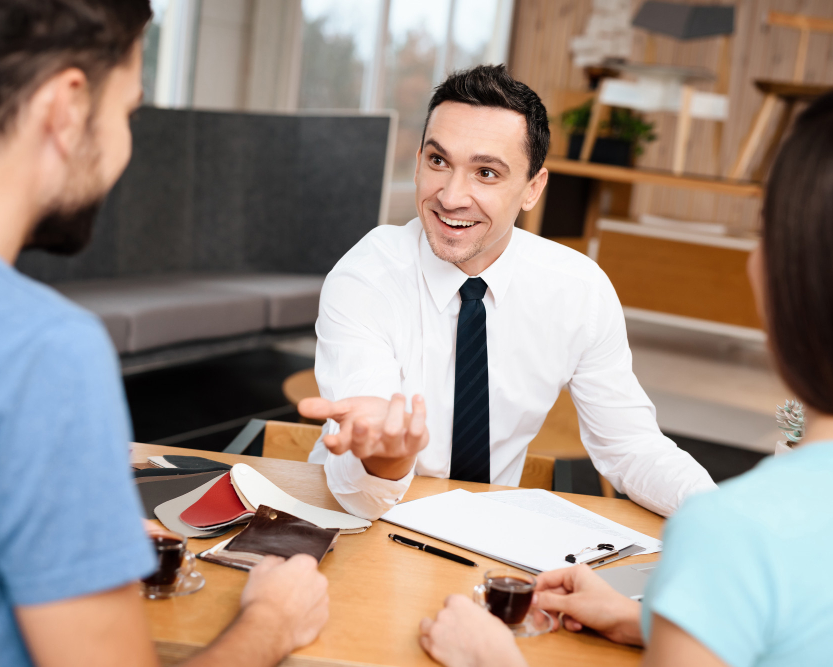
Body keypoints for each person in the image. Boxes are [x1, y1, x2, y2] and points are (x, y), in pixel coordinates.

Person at [0, 2, 327, 666]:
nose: (123, 145)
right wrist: (271, 619)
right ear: (67, 107)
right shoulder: (41, 351)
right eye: (127, 112)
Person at [418, 82, 833, 667]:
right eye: (438, 161)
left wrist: (492, 660)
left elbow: (630, 444)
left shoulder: (739, 538)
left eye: (765, 231)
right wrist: (648, 618)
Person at [298, 65, 715, 520]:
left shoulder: (578, 290)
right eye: (439, 162)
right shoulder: (367, 275)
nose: (452, 196)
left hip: (492, 536)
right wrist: (387, 457)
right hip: (359, 524)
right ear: (418, 163)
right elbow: (356, 491)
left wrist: (718, 512)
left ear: (533, 188)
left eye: (487, 173)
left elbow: (631, 447)